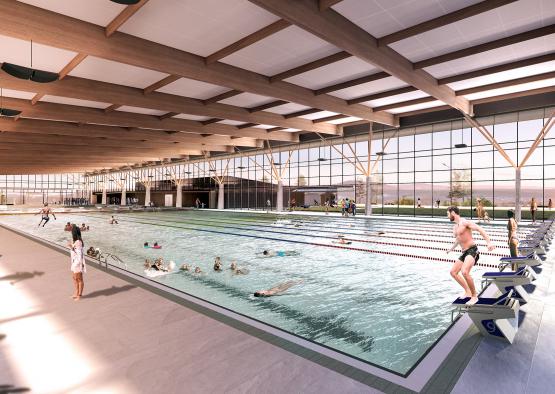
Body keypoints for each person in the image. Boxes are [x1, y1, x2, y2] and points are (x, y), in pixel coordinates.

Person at [446, 206, 495, 305]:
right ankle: (467, 291)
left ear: (453, 213)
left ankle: (474, 296)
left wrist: (489, 242)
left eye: (448, 214)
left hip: (472, 250)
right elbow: (458, 239)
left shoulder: (465, 222)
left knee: (464, 272)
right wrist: (451, 249)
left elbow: (480, 229)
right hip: (464, 253)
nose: (447, 216)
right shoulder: (455, 227)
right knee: (453, 272)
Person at [69, 225, 85, 300]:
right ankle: (76, 292)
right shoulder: (76, 241)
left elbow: (79, 254)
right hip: (74, 262)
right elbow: (75, 251)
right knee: (74, 278)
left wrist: (79, 264)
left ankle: (79, 295)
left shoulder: (78, 242)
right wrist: (71, 246)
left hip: (77, 263)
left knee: (79, 279)